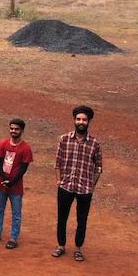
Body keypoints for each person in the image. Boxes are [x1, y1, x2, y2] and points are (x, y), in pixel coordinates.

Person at [52, 105, 103, 262]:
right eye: (78, 119)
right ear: (74, 120)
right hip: (65, 186)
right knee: (62, 217)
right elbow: (57, 162)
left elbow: (98, 168)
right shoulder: (64, 139)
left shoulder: (95, 144)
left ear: (88, 122)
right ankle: (61, 246)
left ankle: (78, 248)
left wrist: (91, 187)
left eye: (84, 120)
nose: (81, 122)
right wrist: (58, 181)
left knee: (82, 220)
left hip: (84, 189)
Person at [0, 118, 33, 249]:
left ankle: (13, 238)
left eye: (16, 129)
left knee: (16, 213)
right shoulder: (3, 143)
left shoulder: (26, 148)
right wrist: (3, 177)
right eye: (12, 128)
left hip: (16, 186)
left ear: (22, 131)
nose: (13, 131)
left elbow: (23, 169)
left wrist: (11, 182)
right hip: (1, 184)